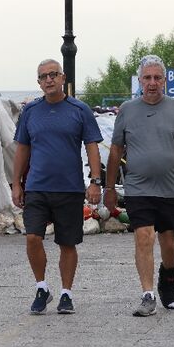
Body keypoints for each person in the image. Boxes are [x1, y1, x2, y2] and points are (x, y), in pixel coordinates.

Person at [104, 55, 174, 317]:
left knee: (169, 243)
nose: (152, 83)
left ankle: (169, 280)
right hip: (138, 188)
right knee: (143, 236)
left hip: (170, 188)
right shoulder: (127, 109)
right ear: (140, 81)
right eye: (147, 78)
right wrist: (109, 187)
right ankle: (148, 294)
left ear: (165, 81)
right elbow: (115, 150)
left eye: (157, 78)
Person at [12, 59, 104, 315]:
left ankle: (66, 293)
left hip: (70, 188)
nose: (49, 79)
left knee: (67, 243)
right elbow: (22, 148)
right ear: (38, 82)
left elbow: (92, 146)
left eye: (53, 74)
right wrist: (16, 184)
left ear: (63, 78)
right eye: (43, 76)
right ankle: (42, 287)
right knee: (32, 237)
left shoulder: (79, 109)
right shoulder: (30, 112)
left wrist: (95, 182)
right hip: (37, 188)